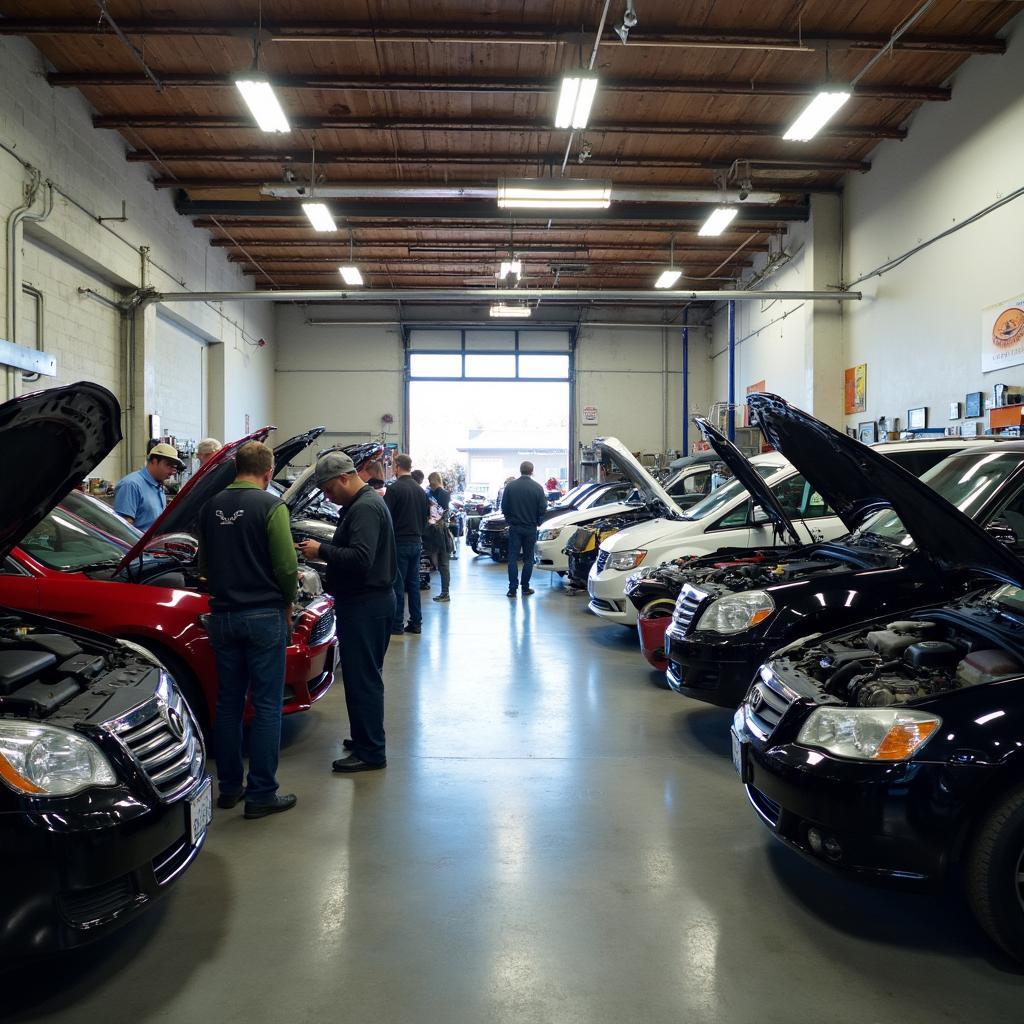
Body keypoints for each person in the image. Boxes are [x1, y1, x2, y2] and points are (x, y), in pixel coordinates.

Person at [197, 441, 298, 819]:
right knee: (268, 705)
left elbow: (203, 565)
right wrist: (287, 601)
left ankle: (228, 789)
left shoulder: (209, 506)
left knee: (228, 704)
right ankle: (261, 795)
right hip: (263, 616)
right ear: (268, 472)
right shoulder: (272, 507)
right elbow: (286, 566)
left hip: (222, 616)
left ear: (234, 467)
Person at [297, 452, 397, 773]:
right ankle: (365, 737)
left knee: (363, 678)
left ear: (344, 478)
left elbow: (360, 558)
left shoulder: (365, 508)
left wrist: (319, 550)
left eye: (328, 489)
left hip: (367, 604)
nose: (328, 496)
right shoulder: (360, 504)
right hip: (367, 602)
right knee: (361, 676)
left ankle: (371, 752)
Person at [384, 454, 429, 635]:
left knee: (398, 585)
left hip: (399, 543)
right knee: (413, 584)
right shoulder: (421, 491)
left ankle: (396, 625)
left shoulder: (394, 489)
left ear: (397, 467)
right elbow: (427, 517)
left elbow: (385, 518)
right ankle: (416, 623)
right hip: (417, 542)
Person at [501, 461, 548, 598]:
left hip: (515, 528)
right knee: (528, 559)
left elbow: (504, 507)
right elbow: (542, 508)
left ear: (520, 470)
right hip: (530, 528)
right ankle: (525, 588)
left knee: (512, 558)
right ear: (532, 471)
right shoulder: (537, 488)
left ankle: (512, 589)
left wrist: (510, 520)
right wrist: (538, 522)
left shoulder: (510, 487)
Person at [113, 442, 183, 530]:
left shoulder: (158, 486)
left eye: (174, 467)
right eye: (168, 465)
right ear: (154, 461)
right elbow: (123, 528)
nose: (172, 472)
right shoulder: (131, 485)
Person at [427, 471, 452, 603]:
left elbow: (439, 513)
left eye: (431, 482)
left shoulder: (442, 494)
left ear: (434, 481)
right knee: (440, 563)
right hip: (437, 532)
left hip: (441, 533)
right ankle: (444, 592)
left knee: (443, 563)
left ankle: (445, 592)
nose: (430, 485)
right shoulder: (435, 493)